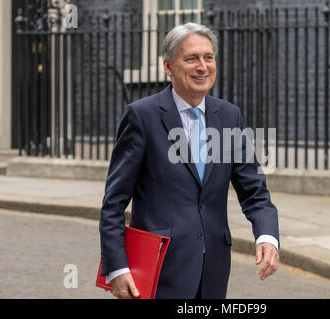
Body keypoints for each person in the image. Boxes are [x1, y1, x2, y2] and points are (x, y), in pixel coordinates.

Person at [99, 23, 279, 299]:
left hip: (213, 271)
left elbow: (254, 191)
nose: (202, 66)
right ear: (168, 67)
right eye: (191, 58)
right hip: (158, 271)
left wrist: (267, 236)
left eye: (208, 57)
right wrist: (118, 268)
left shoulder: (229, 117)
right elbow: (113, 203)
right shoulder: (142, 116)